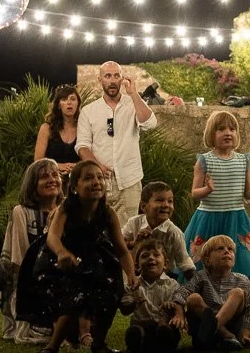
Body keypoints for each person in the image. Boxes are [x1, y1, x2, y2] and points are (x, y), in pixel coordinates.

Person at [21, 160, 134, 353]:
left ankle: (99, 343)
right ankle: (51, 347)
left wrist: (131, 275)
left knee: (111, 292)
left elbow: (122, 250)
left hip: (93, 260)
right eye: (88, 178)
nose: (96, 182)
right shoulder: (66, 209)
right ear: (74, 187)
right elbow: (53, 237)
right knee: (74, 298)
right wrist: (63, 253)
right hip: (59, 260)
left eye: (100, 177)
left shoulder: (108, 213)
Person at [184, 110, 250, 335]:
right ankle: (189, 318)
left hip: (237, 220)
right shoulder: (205, 160)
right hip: (209, 220)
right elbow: (195, 193)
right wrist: (207, 189)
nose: (228, 133)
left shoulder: (243, 160)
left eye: (232, 129)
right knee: (196, 269)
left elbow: (248, 192)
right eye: (221, 129)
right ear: (211, 134)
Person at [75, 60, 159, 222]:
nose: (112, 80)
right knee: (97, 232)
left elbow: (150, 123)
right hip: (98, 183)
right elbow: (82, 145)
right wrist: (97, 166)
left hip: (129, 182)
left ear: (122, 79)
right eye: (107, 76)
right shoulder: (89, 111)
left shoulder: (133, 103)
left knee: (128, 235)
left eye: (116, 76)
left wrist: (134, 94)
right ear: (100, 80)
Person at [0, 159, 62, 345]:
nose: (52, 180)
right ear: (33, 186)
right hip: (31, 278)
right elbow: (19, 259)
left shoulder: (66, 210)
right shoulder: (22, 212)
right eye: (44, 177)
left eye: (55, 175)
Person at [176, 235, 250, 351]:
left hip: (230, 326)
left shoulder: (242, 280)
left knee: (237, 293)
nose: (226, 252)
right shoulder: (201, 276)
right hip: (204, 331)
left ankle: (214, 329)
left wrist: (245, 335)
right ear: (207, 260)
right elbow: (183, 291)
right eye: (220, 249)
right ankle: (224, 334)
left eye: (230, 250)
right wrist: (178, 308)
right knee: (193, 298)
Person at [120, 237, 186, 353]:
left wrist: (171, 306)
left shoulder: (172, 285)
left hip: (163, 325)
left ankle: (165, 345)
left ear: (165, 264)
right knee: (136, 331)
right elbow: (124, 309)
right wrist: (133, 303)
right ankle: (137, 343)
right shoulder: (132, 286)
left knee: (165, 331)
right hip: (142, 325)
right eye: (145, 256)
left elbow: (178, 306)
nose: (151, 258)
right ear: (137, 265)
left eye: (156, 255)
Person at [124, 181, 195, 283]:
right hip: (138, 277)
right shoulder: (134, 223)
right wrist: (134, 243)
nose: (166, 205)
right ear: (144, 206)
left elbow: (185, 263)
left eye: (170, 201)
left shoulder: (173, 232)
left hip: (165, 279)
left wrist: (196, 288)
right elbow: (119, 244)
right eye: (160, 200)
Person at [34, 84, 81, 175]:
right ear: (59, 105)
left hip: (77, 179)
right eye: (64, 99)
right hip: (51, 178)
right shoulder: (46, 128)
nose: (69, 102)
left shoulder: (84, 128)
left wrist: (76, 166)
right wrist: (57, 165)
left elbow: (89, 158)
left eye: (72, 99)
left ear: (78, 103)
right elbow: (38, 161)